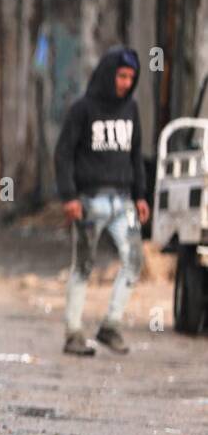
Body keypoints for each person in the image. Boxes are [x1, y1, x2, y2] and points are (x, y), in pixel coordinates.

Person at [53, 46, 149, 357]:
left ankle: (110, 325)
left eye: (131, 77)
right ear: (109, 75)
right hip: (90, 200)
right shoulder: (83, 109)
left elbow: (136, 155)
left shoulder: (131, 110)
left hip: (123, 202)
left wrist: (141, 196)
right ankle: (73, 333)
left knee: (134, 261)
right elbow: (63, 152)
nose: (125, 83)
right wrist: (69, 196)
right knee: (83, 266)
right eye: (121, 76)